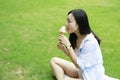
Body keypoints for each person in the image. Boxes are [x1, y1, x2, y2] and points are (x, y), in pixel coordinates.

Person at [50, 9, 119, 80]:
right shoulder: (75, 36)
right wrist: (64, 48)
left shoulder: (90, 42)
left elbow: (78, 65)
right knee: (54, 61)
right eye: (67, 20)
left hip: (91, 76)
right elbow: (75, 56)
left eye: (69, 21)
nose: (66, 24)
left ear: (79, 24)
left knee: (61, 73)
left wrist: (68, 45)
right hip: (82, 72)